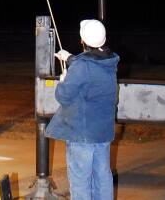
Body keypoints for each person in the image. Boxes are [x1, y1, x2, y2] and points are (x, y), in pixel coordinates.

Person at [45, 19, 119, 200]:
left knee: (80, 180)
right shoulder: (110, 60)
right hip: (102, 133)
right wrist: (70, 58)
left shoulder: (82, 66)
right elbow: (90, 67)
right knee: (102, 176)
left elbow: (63, 96)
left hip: (82, 135)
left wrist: (63, 80)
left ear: (82, 40)